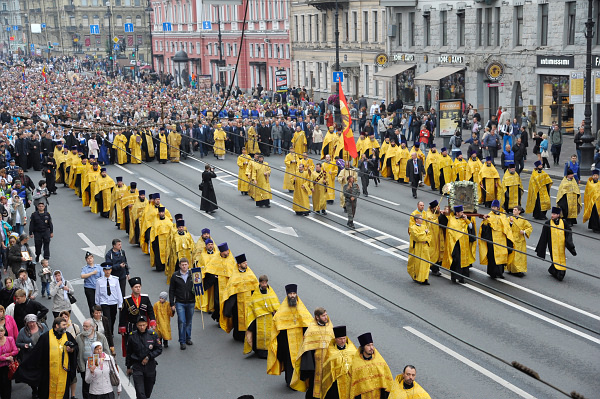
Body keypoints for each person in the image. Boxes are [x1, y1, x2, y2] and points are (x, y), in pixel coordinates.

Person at [15, 317, 78, 399]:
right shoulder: (45, 337)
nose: (65, 327)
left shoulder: (68, 336)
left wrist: (72, 349)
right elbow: (36, 353)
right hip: (48, 373)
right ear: (57, 325)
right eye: (63, 325)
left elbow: (76, 346)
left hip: (63, 372)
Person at [267, 284, 313, 387]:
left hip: (300, 341)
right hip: (287, 343)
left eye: (294, 293)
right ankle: (290, 382)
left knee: (302, 362)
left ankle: (302, 381)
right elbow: (277, 326)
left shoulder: (302, 308)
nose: (292, 295)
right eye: (290, 294)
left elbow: (309, 323)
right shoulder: (282, 310)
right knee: (289, 363)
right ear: (287, 295)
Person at [290, 307, 335, 397]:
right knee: (313, 386)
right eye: (323, 316)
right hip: (315, 364)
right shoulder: (311, 330)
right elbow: (306, 348)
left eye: (326, 315)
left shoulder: (330, 327)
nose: (326, 317)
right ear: (317, 317)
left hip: (328, 363)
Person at [222, 254, 259, 341]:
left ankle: (249, 335)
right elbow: (231, 292)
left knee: (250, 319)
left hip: (249, 303)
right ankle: (238, 336)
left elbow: (255, 287)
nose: (246, 264)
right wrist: (229, 308)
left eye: (246, 262)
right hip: (238, 303)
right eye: (243, 263)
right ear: (239, 264)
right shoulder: (234, 276)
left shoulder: (250, 274)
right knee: (237, 320)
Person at [536, 207, 577, 281]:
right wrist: (541, 248)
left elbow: (568, 232)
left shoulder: (564, 222)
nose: (552, 215)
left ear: (558, 215)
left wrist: (570, 244)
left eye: (554, 214)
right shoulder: (548, 223)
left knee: (561, 258)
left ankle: (553, 270)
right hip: (552, 245)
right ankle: (559, 273)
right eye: (552, 213)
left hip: (561, 245)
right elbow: (543, 236)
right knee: (555, 258)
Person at [126, 315, 162, 399]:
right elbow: (129, 352)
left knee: (147, 392)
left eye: (143, 325)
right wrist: (128, 366)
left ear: (147, 324)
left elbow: (159, 349)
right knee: (140, 392)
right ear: (137, 325)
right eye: (140, 325)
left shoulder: (153, 335)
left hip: (150, 366)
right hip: (137, 366)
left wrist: (148, 357)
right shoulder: (132, 336)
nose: (142, 327)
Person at [348, 332, 394, 398]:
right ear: (363, 348)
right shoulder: (356, 364)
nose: (371, 347)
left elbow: (386, 383)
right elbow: (353, 386)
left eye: (372, 345)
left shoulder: (380, 361)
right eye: (368, 345)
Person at [244, 275, 279, 358]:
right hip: (259, 318)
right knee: (259, 334)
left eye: (265, 283)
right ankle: (258, 351)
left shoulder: (271, 292)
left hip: (269, 318)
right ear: (259, 283)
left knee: (269, 335)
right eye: (263, 283)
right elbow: (252, 305)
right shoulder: (256, 294)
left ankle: (269, 350)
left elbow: (275, 304)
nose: (264, 285)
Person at [15, 314, 49, 399]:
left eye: (33, 322)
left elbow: (49, 337)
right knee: (32, 375)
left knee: (43, 373)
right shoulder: (23, 331)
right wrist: (24, 345)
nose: (31, 324)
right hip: (31, 356)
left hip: (43, 355)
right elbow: (18, 343)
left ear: (36, 321)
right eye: (29, 322)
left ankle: (42, 390)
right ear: (26, 323)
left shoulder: (43, 327)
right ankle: (34, 390)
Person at [76, 319, 111, 399]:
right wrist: (79, 366)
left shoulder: (101, 337)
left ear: (93, 327)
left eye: (86, 326)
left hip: (99, 365)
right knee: (86, 386)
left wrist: (107, 363)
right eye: (83, 326)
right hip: (85, 366)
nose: (84, 328)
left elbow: (106, 350)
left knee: (98, 385)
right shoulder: (79, 337)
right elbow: (77, 353)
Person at [480, 200, 514, 279]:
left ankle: (500, 273)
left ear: (498, 208)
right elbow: (484, 228)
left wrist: (511, 223)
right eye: (492, 207)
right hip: (493, 239)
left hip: (502, 239)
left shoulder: (502, 216)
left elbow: (507, 227)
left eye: (495, 207)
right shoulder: (489, 216)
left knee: (502, 256)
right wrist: (485, 221)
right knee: (492, 257)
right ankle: (492, 273)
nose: (493, 208)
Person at [441, 206, 476, 284]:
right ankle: (454, 277)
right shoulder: (452, 220)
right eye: (461, 212)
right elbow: (450, 232)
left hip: (464, 244)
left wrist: (466, 219)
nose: (462, 213)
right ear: (457, 213)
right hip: (455, 245)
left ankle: (462, 278)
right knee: (456, 261)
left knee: (464, 261)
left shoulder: (464, 220)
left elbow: (470, 227)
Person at [321, 325, 356, 399]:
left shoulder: (352, 350)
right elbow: (328, 369)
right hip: (336, 383)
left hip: (351, 380)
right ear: (336, 339)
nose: (343, 341)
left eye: (344, 338)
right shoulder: (330, 352)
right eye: (340, 339)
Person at [204, 243, 236, 325]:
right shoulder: (216, 259)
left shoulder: (231, 259)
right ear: (221, 252)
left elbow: (234, 271)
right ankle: (219, 319)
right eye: (225, 251)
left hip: (228, 285)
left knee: (227, 303)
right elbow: (209, 269)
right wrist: (213, 276)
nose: (227, 253)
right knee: (218, 303)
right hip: (218, 285)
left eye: (227, 251)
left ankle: (226, 320)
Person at [168, 257, 195, 350]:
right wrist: (172, 303)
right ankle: (182, 341)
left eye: (185, 264)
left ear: (188, 265)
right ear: (179, 265)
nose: (184, 266)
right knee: (182, 321)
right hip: (180, 302)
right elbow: (171, 290)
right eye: (182, 265)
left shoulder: (193, 274)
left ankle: (188, 338)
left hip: (191, 302)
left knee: (189, 321)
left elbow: (198, 285)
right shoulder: (175, 276)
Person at [94, 262, 123, 335]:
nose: (107, 271)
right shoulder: (99, 281)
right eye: (106, 270)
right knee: (107, 318)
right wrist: (97, 305)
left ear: (111, 270)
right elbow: (97, 294)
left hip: (113, 302)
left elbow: (118, 292)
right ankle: (108, 333)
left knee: (113, 318)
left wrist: (120, 303)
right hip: (104, 302)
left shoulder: (115, 280)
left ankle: (111, 331)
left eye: (109, 269)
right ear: (103, 270)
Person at [506, 206, 533, 277]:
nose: (513, 211)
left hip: (520, 240)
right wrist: (511, 223)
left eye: (515, 210)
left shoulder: (523, 220)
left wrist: (524, 232)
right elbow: (506, 226)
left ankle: (518, 270)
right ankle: (511, 269)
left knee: (519, 256)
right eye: (513, 210)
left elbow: (530, 227)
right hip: (512, 238)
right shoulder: (509, 218)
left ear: (519, 211)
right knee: (512, 255)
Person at [407, 215, 432, 285]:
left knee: (426, 263)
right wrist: (424, 233)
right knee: (418, 263)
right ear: (416, 220)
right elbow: (417, 237)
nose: (422, 220)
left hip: (425, 247)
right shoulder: (413, 228)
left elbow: (429, 235)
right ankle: (418, 277)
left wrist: (426, 240)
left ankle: (425, 278)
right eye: (420, 219)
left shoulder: (424, 226)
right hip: (418, 248)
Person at [149, 207, 173, 272]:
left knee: (167, 253)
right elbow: (153, 231)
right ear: (158, 213)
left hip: (166, 241)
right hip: (158, 241)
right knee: (158, 254)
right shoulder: (155, 221)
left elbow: (171, 230)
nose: (161, 213)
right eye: (160, 212)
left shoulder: (168, 221)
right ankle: (159, 267)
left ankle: (166, 265)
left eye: (162, 212)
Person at [0, 324, 18, 399]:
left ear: (4, 331)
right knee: (1, 385)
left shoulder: (10, 339)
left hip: (8, 367)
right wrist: (6, 358)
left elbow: (15, 351)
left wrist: (6, 354)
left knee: (7, 385)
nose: (0, 333)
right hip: (0, 367)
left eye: (1, 331)